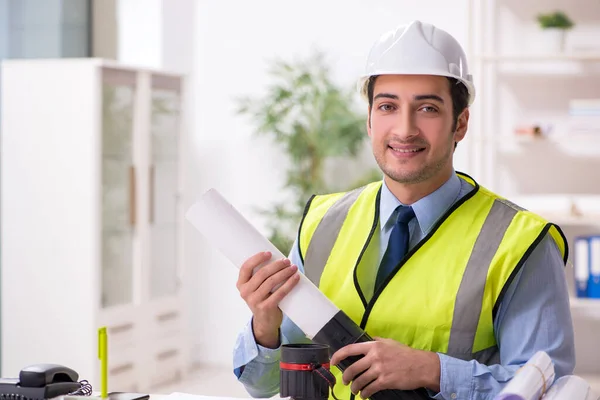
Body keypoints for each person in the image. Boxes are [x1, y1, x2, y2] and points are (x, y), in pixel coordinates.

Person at [231, 20, 576, 400]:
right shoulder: (321, 223)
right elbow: (264, 385)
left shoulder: (520, 242)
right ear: (369, 120)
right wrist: (265, 326)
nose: (404, 129)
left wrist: (434, 371)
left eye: (427, 108)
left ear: (460, 123)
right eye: (388, 106)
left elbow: (550, 389)